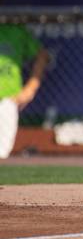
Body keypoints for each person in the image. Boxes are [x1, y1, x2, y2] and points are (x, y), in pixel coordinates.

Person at [0, 25, 48, 159]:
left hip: (6, 100)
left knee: (1, 153)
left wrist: (31, 87)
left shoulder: (15, 32)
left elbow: (42, 55)